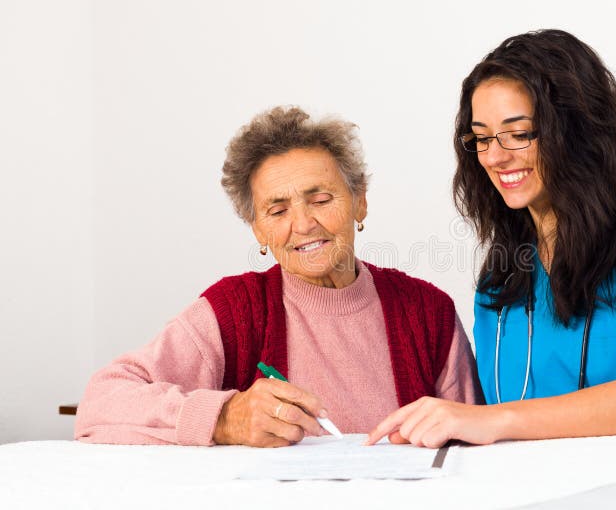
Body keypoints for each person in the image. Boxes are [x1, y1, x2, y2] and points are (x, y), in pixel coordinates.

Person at [367, 29, 616, 448]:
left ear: (577, 131)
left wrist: (491, 420)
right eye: (483, 137)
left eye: (519, 133)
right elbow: (486, 416)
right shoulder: (504, 272)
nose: (494, 156)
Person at [75, 106, 481, 447]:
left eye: (321, 199)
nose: (303, 223)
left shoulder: (428, 312)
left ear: (360, 203)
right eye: (278, 210)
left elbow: (470, 453)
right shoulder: (233, 311)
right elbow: (100, 403)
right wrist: (224, 418)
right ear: (259, 231)